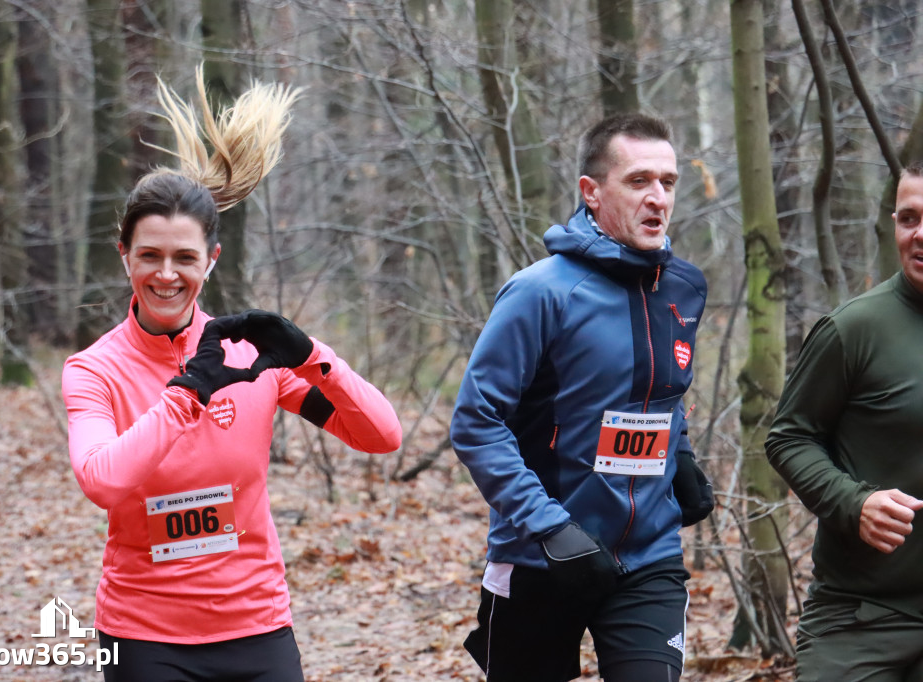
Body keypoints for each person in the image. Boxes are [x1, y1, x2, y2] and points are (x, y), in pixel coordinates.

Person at [61, 67, 402, 682]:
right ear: (125, 257)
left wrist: (312, 355)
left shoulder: (253, 358)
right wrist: (188, 393)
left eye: (185, 258)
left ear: (211, 261)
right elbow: (103, 482)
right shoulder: (95, 370)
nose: (167, 274)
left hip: (257, 627)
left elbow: (381, 435)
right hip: (145, 637)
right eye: (150, 257)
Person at [449, 113, 713, 682]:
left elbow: (664, 391)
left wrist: (682, 454)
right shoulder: (541, 292)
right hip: (540, 555)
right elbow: (476, 421)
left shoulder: (684, 287)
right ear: (591, 193)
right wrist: (551, 528)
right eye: (639, 180)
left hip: (648, 556)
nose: (658, 198)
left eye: (668, 182)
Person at [765, 161, 923, 681]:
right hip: (860, 616)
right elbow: (790, 437)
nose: (919, 234)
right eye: (908, 218)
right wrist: (854, 502)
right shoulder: (853, 329)